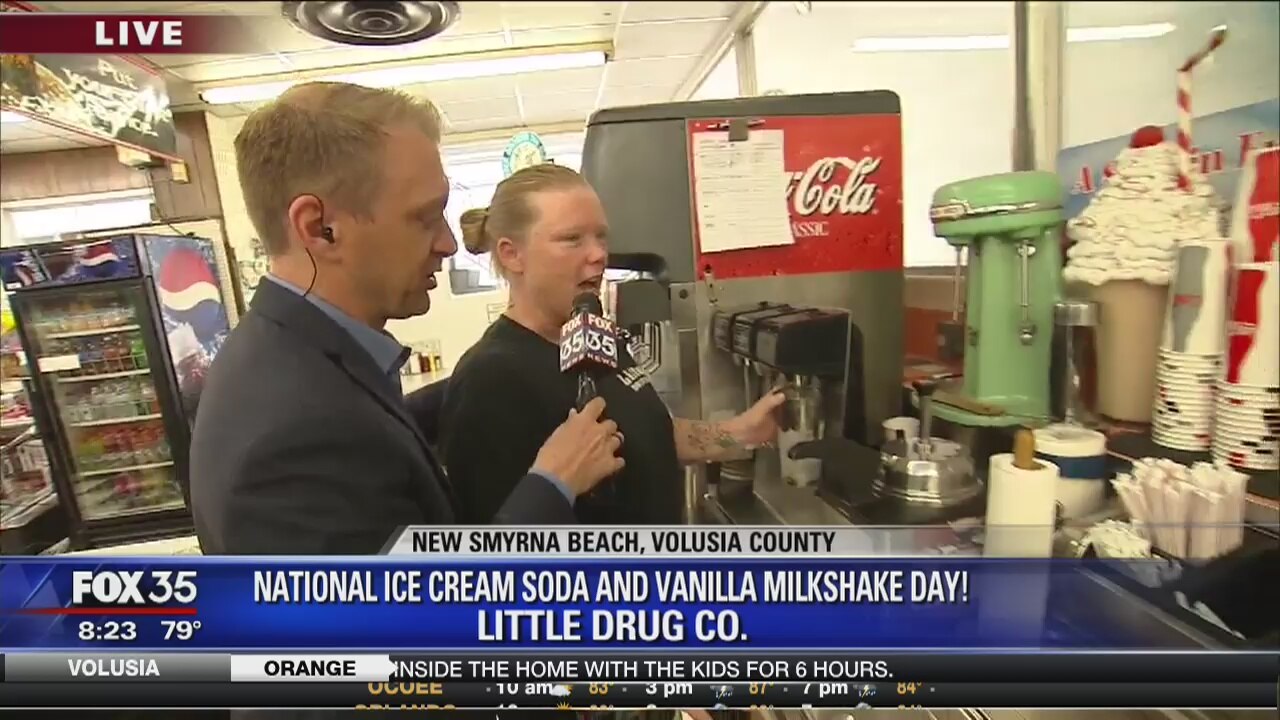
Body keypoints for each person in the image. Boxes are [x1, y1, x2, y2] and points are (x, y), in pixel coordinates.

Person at [188, 82, 625, 557]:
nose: (449, 244)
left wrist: (507, 372)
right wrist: (552, 483)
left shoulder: (298, 355)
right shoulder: (291, 440)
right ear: (319, 229)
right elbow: (424, 602)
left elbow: (371, 429)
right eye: (424, 218)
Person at [439, 164, 785, 525]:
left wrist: (740, 432)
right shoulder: (490, 380)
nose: (598, 255)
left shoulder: (594, 335)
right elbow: (497, 547)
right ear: (512, 254)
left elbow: (644, 432)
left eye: (600, 237)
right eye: (572, 239)